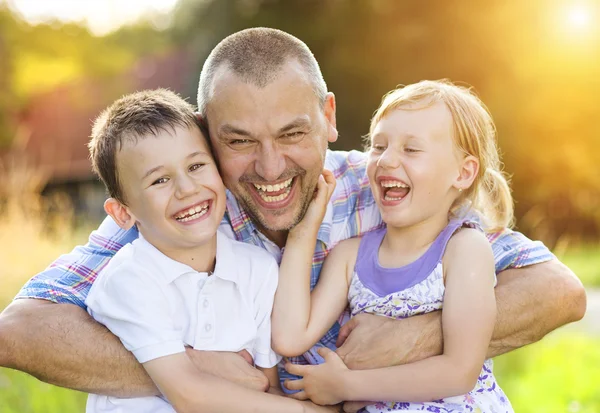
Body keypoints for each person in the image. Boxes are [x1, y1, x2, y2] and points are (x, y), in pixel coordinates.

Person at [0, 28, 585, 412]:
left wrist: (417, 336)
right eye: (239, 141)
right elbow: (21, 332)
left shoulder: (381, 190)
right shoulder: (179, 208)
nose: (271, 166)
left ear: (328, 116)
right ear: (206, 130)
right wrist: (193, 373)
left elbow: (556, 291)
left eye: (292, 133)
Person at [273, 80, 516, 412]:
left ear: (462, 173)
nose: (386, 160)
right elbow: (289, 337)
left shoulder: (464, 250)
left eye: (411, 149)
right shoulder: (349, 256)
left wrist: (346, 385)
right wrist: (302, 230)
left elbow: (460, 371)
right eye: (378, 146)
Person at [82, 88, 330, 413]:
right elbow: (189, 395)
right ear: (123, 214)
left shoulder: (257, 269)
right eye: (159, 181)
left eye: (197, 166)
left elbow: (265, 386)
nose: (187, 189)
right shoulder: (130, 279)